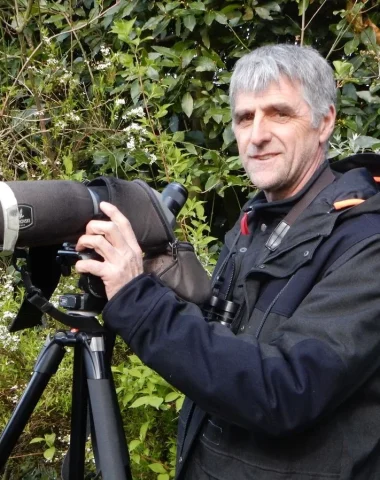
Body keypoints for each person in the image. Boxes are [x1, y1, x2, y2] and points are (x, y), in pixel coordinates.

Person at [75, 44, 380, 479]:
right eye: (244, 118)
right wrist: (164, 283)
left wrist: (138, 300)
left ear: (324, 122)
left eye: (279, 114)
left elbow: (285, 390)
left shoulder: (367, 242)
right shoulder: (258, 220)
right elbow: (234, 347)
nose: (256, 135)